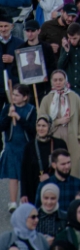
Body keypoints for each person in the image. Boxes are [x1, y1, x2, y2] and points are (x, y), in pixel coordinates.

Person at [38, 70, 80, 178]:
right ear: (51, 81)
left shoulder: (74, 97)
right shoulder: (47, 99)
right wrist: (57, 122)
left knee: (73, 171)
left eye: (60, 80)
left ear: (65, 80)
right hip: (54, 138)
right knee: (57, 170)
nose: (58, 82)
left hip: (72, 139)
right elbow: (41, 122)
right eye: (55, 80)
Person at [0, 83, 36, 212]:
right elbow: (1, 126)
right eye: (13, 94)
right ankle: (13, 202)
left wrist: (19, 118)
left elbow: (33, 130)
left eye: (17, 95)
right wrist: (8, 117)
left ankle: (24, 199)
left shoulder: (31, 109)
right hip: (12, 146)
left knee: (25, 175)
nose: (14, 97)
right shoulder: (8, 108)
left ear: (25, 97)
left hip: (25, 146)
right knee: (13, 176)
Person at [20, 115, 68, 204]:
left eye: (44, 126)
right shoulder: (29, 147)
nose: (40, 128)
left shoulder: (59, 144)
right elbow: (24, 172)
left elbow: (66, 168)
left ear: (50, 127)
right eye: (38, 125)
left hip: (56, 188)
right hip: (33, 190)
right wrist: (23, 193)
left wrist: (50, 176)